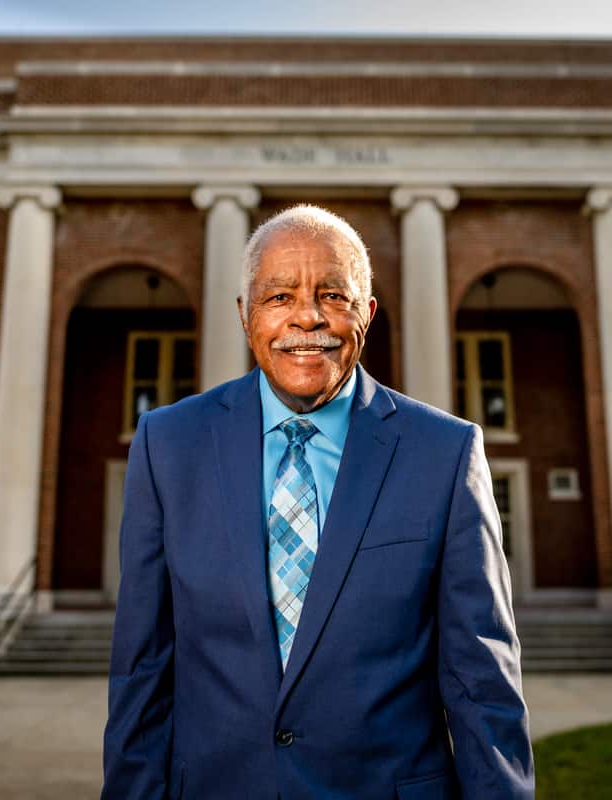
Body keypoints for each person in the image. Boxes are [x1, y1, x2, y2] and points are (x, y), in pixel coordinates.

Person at [101, 205, 533, 799]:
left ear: (367, 313)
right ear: (244, 315)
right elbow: (142, 667)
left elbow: (480, 678)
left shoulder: (445, 453)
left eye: (332, 295)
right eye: (279, 297)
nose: (306, 317)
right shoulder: (168, 444)